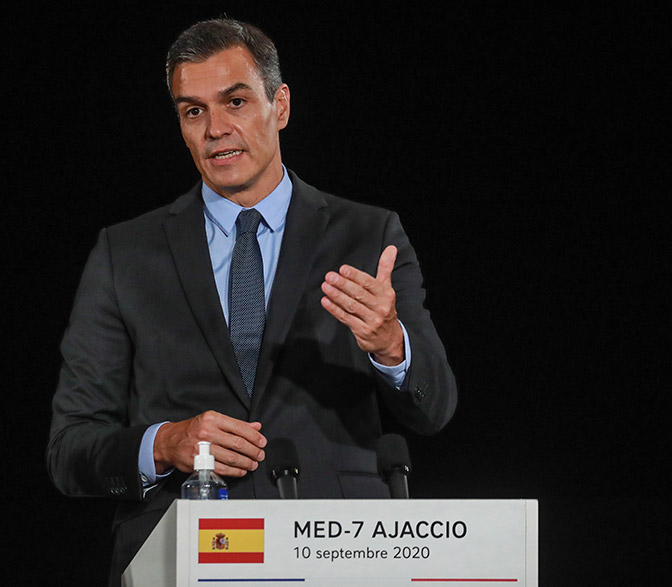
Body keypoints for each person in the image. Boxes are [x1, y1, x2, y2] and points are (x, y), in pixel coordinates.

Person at [47, 18, 457, 585]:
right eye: (194, 111)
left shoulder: (368, 235)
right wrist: (164, 443)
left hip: (336, 553)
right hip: (182, 555)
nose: (216, 129)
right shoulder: (126, 253)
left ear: (280, 105)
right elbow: (70, 449)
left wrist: (391, 346)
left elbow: (435, 408)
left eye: (235, 102)